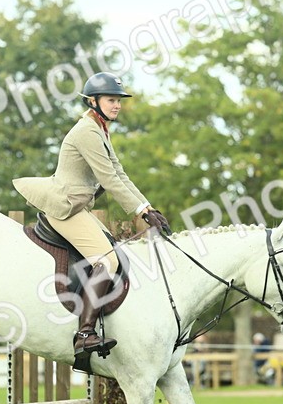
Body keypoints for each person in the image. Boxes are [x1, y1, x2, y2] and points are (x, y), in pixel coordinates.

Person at [13, 72, 170, 361]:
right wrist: (138, 212)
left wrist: (147, 208)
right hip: (66, 207)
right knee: (107, 260)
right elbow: (109, 179)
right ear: (93, 101)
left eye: (119, 101)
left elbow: (120, 173)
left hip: (78, 205)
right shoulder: (87, 131)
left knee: (113, 249)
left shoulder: (100, 129)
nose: (117, 105)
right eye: (112, 100)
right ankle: (85, 334)